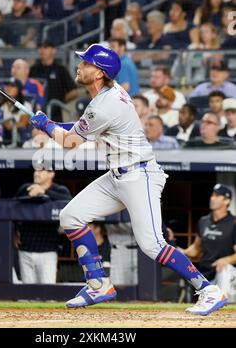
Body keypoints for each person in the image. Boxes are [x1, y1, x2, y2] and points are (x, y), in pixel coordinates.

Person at [30, 43, 227, 314]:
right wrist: (49, 124)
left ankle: (209, 290)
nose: (80, 66)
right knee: (70, 216)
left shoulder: (104, 105)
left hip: (139, 175)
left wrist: (46, 126)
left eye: (86, 63)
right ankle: (98, 283)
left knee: (152, 245)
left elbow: (70, 140)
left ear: (99, 73)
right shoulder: (106, 96)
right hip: (116, 176)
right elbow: (78, 129)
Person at [180, 184, 236, 302]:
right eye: (212, 195)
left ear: (226, 201)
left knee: (224, 270)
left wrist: (226, 260)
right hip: (205, 272)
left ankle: (224, 305)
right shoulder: (203, 221)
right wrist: (180, 251)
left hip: (226, 274)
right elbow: (195, 249)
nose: (212, 198)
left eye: (217, 196)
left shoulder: (233, 223)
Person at [15, 168, 72, 283]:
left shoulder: (60, 190)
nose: (37, 173)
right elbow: (11, 207)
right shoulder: (26, 188)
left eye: (41, 171)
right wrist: (14, 232)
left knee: (48, 292)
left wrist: (44, 192)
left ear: (51, 174)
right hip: (25, 248)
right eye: (36, 170)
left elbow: (70, 203)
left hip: (48, 250)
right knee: (27, 295)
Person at [30, 41, 78, 121]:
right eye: (40, 48)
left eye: (45, 47)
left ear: (53, 50)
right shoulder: (34, 70)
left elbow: (73, 92)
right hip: (36, 111)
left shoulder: (60, 70)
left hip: (55, 114)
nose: (42, 50)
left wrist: (58, 102)